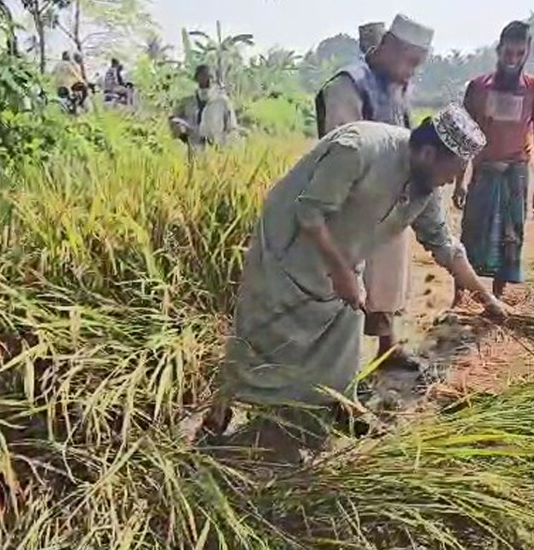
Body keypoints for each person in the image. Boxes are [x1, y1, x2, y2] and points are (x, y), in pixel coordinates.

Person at [211, 106, 509, 447]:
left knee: (341, 341)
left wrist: (487, 299)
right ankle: (222, 405)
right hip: (289, 245)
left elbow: (445, 246)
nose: (450, 182)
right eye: (451, 172)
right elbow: (308, 212)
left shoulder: (425, 189)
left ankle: (339, 405)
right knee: (262, 333)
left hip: (344, 254)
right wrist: (340, 271)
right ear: (428, 153)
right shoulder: (359, 149)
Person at [314, 14, 431, 371]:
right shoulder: (348, 85)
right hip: (354, 204)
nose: (412, 72)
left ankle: (386, 348)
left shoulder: (398, 86)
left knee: (388, 278)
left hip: (390, 199)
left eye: (418, 65)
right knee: (348, 286)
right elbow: (342, 148)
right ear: (389, 48)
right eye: (410, 62)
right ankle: (337, 370)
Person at [452, 20, 534, 305]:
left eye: (520, 54)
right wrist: (459, 182)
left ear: (527, 53)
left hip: (515, 173)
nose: (513, 60)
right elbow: (465, 136)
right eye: (509, 53)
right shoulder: (478, 87)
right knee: (470, 234)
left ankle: (496, 297)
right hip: (484, 172)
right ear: (498, 50)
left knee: (510, 237)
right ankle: (459, 296)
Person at [170, 64, 238, 153]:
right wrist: (181, 132)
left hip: (216, 152)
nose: (208, 80)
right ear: (197, 79)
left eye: (210, 77)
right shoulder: (188, 102)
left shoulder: (222, 102)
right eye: (203, 76)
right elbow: (173, 119)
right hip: (193, 151)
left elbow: (232, 128)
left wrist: (224, 147)